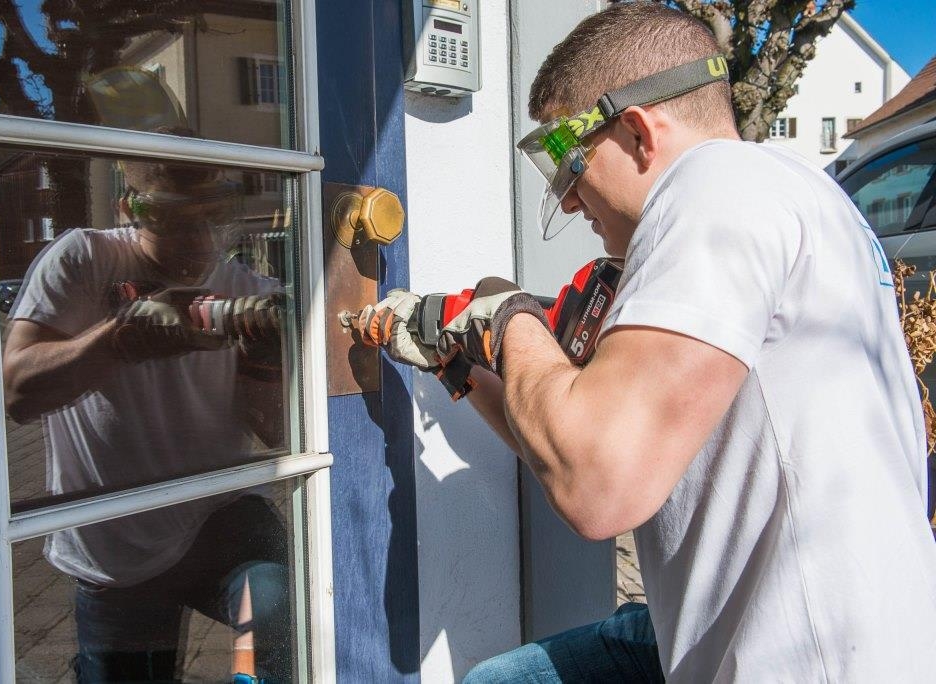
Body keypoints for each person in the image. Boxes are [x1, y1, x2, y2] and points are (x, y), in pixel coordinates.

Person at [360, 3, 936, 681]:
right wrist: (464, 372)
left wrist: (506, 309)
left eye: (567, 162)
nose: (570, 201)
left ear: (635, 131)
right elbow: (574, 444)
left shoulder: (714, 192)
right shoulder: (803, 196)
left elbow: (595, 486)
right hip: (810, 631)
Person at [2, 150, 292, 682]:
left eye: (212, 216)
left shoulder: (247, 289)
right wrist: (117, 342)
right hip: (113, 534)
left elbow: (274, 432)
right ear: (129, 211)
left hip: (219, 512)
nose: (199, 241)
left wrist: (265, 365)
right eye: (176, 220)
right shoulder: (84, 259)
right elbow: (18, 394)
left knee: (278, 611)